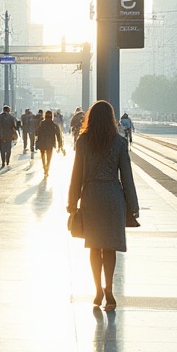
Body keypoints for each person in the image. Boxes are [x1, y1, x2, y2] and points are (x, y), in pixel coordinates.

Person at [68, 101, 139, 311]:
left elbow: (76, 175)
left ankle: (97, 289)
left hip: (91, 196)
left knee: (94, 245)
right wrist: (133, 205)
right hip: (113, 197)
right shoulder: (119, 142)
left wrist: (72, 202)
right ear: (111, 119)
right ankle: (109, 289)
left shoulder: (83, 141)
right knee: (109, 247)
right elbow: (127, 177)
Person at [35, 109, 64, 175]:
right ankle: (47, 167)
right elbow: (58, 135)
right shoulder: (54, 125)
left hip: (42, 142)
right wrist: (60, 144)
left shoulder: (41, 123)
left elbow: (36, 133)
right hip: (50, 143)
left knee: (42, 155)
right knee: (49, 156)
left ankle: (44, 166)